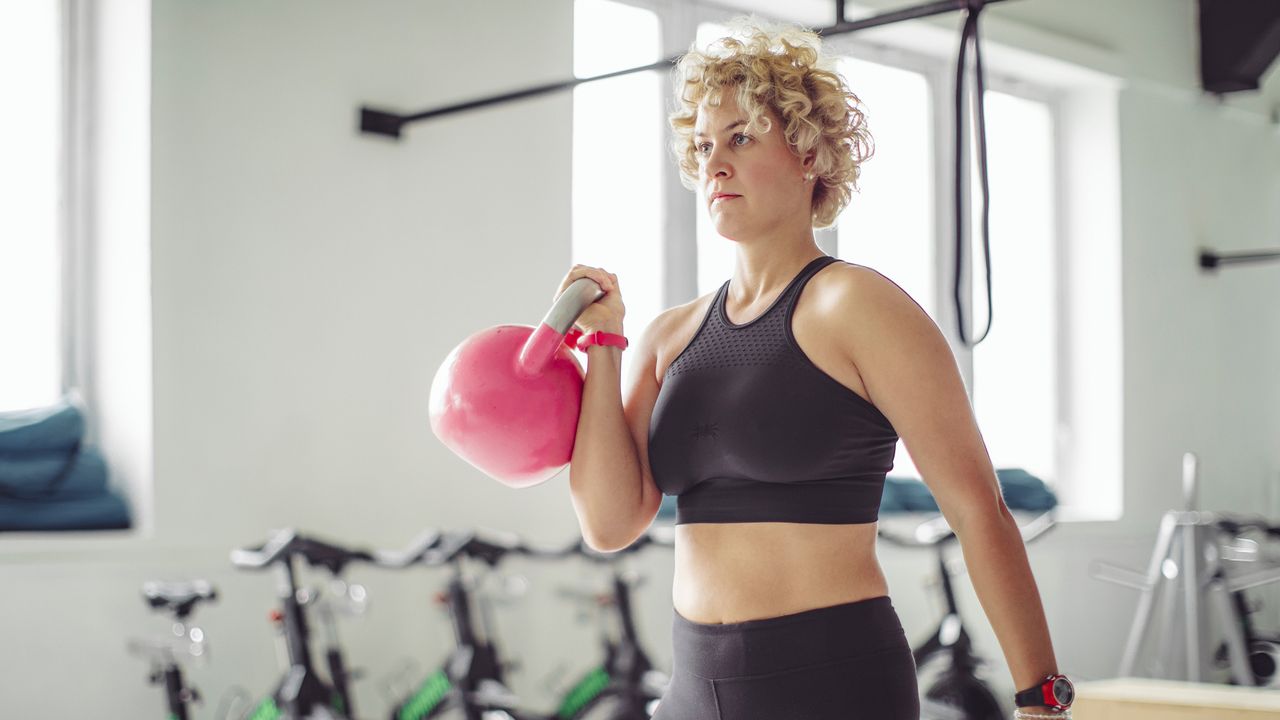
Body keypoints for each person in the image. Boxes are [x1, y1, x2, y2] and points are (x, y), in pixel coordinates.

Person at [557, 15, 1070, 720]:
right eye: (704, 146)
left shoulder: (856, 306)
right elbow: (610, 525)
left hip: (830, 685)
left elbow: (977, 508)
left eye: (741, 137)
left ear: (809, 156)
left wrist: (1041, 695)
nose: (714, 164)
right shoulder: (665, 337)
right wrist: (604, 349)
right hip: (691, 693)